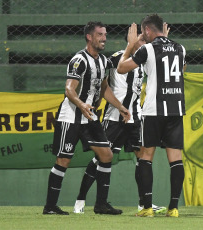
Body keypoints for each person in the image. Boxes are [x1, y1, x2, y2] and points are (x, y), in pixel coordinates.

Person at [73, 26, 170, 215]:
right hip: (114, 117)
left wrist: (163, 41)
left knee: (142, 158)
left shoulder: (145, 59)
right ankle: (81, 199)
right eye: (141, 40)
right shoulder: (117, 58)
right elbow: (98, 75)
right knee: (101, 158)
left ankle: (144, 204)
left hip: (135, 117)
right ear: (131, 40)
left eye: (146, 41)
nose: (145, 43)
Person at [42, 21, 130, 215]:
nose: (104, 38)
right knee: (63, 160)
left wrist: (121, 107)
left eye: (105, 34)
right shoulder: (79, 60)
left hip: (89, 117)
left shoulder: (103, 61)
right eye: (100, 34)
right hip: (71, 116)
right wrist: (81, 104)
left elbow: (104, 88)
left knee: (106, 155)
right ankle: (50, 207)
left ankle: (101, 204)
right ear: (89, 37)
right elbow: (69, 89)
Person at [117, 14, 186, 218]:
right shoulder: (180, 48)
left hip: (154, 110)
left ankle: (147, 207)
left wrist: (130, 46)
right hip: (175, 109)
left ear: (147, 30)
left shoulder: (147, 49)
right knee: (176, 160)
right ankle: (173, 208)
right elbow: (181, 71)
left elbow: (121, 68)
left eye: (142, 32)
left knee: (146, 157)